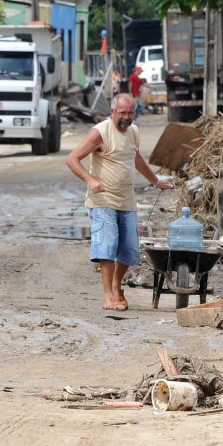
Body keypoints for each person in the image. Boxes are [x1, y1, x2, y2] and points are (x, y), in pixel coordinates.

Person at [65, 94, 174, 311]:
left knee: (129, 248)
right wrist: (90, 180)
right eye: (122, 113)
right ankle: (108, 296)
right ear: (112, 112)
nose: (126, 117)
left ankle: (117, 286)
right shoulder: (100, 132)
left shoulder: (133, 131)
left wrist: (155, 180)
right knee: (107, 246)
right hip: (102, 200)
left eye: (130, 113)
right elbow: (72, 159)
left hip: (127, 200)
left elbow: (135, 158)